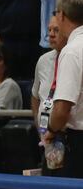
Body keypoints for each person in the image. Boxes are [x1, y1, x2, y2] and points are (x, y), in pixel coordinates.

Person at [45, 0, 83, 178]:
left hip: (79, 142)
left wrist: (50, 130)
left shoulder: (72, 51)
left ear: (61, 15)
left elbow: (61, 109)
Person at [32, 16, 67, 172]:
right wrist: (40, 128)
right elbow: (35, 96)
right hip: (46, 138)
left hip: (68, 137)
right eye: (49, 30)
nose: (51, 35)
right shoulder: (43, 60)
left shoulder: (75, 58)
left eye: (56, 30)